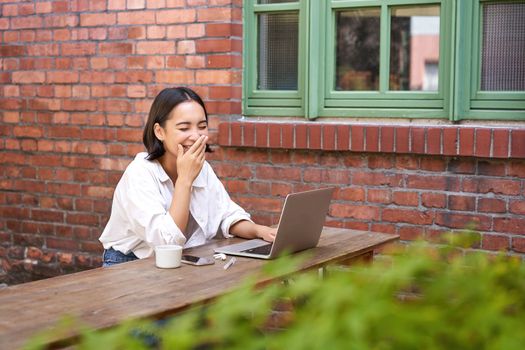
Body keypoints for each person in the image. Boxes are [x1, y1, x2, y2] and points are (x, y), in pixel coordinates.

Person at [100, 87, 276, 267]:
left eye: (202, 126)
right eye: (184, 128)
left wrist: (260, 230)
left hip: (187, 260)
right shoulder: (139, 173)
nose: (196, 136)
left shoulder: (202, 168)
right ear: (159, 131)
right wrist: (185, 179)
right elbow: (166, 243)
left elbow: (225, 214)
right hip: (131, 265)